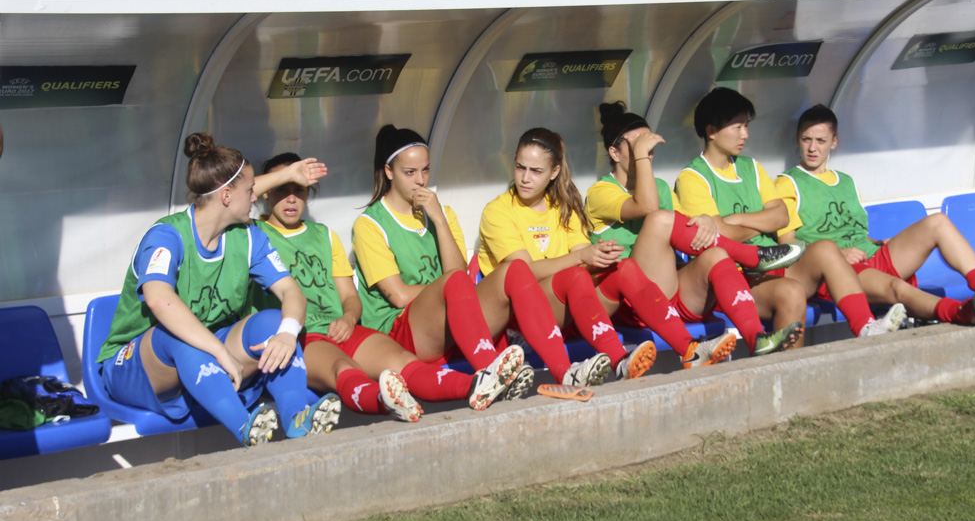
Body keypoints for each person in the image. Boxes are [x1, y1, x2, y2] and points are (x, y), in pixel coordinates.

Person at [96, 132, 341, 447]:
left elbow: (292, 293)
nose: (255, 197)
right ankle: (245, 428)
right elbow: (159, 301)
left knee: (270, 321)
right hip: (134, 367)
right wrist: (218, 350)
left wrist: (287, 332)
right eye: (251, 190)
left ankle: (298, 418)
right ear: (226, 196)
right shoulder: (166, 235)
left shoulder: (248, 237)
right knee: (179, 336)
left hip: (209, 360)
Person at [479, 127, 740, 387]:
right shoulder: (498, 210)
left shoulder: (563, 207)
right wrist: (582, 256)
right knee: (575, 275)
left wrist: (600, 256)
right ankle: (619, 360)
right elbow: (523, 275)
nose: (525, 178)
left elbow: (581, 258)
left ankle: (689, 349)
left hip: (567, 305)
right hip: (523, 317)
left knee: (623, 267)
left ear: (554, 173)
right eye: (519, 167)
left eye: (535, 171)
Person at [354, 125, 573, 407]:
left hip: (453, 316)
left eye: (426, 170)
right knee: (455, 282)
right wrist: (449, 291)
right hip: (403, 330)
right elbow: (399, 295)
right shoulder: (370, 224)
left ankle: (564, 371)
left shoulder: (442, 214)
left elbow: (460, 276)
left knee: (514, 269)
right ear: (389, 172)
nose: (420, 181)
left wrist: (439, 221)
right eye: (410, 173)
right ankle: (491, 373)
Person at [675, 88, 907, 340]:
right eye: (738, 127)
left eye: (746, 126)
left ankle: (865, 326)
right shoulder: (692, 178)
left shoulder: (751, 166)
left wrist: (736, 221)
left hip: (773, 262)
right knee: (791, 293)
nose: (746, 134)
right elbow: (719, 235)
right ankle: (779, 373)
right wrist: (761, 222)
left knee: (826, 248)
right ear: (712, 131)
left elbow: (781, 217)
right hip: (735, 278)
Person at [775, 105, 975, 324]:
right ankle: (959, 312)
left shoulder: (846, 182)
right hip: (838, 272)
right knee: (898, 289)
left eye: (820, 140)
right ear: (797, 140)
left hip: (870, 255)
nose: (812, 148)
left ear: (834, 142)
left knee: (938, 222)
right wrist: (837, 254)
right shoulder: (788, 183)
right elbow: (788, 247)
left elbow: (852, 229)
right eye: (806, 139)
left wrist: (876, 242)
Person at [585, 102, 806, 357]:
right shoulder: (600, 192)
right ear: (614, 153)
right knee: (659, 219)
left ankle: (756, 337)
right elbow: (647, 207)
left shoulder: (661, 187)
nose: (646, 154)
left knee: (716, 255)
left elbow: (689, 230)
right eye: (637, 147)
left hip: (673, 290)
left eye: (649, 147)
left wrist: (706, 222)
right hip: (634, 302)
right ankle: (751, 256)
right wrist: (642, 155)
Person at [254, 152, 425, 423]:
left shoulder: (323, 234)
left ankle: (473, 385)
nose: (290, 198)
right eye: (281, 189)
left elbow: (349, 297)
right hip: (298, 338)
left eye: (298, 189)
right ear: (265, 193)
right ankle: (386, 402)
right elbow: (233, 196)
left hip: (338, 330)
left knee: (401, 359)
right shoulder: (251, 232)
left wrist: (348, 317)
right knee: (343, 367)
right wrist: (288, 174)